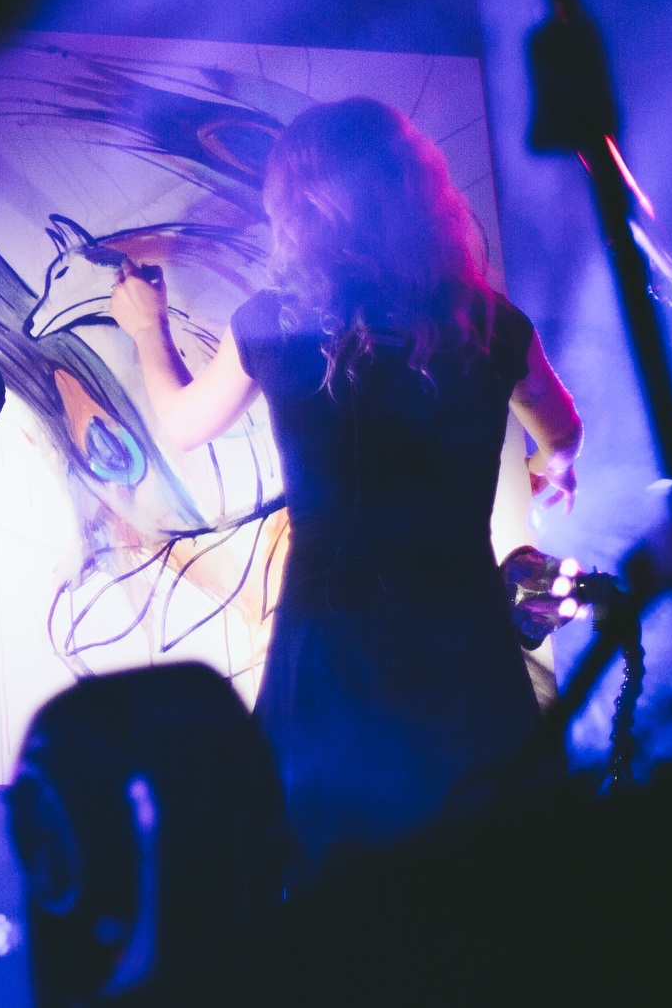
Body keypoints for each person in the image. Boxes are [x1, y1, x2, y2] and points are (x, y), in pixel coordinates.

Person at [107, 97, 582, 890]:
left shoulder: (274, 325)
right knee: (478, 877)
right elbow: (562, 431)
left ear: (298, 210)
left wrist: (148, 332)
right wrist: (549, 465)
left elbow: (186, 424)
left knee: (328, 880)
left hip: (331, 648)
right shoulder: (494, 327)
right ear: (418, 192)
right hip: (463, 644)